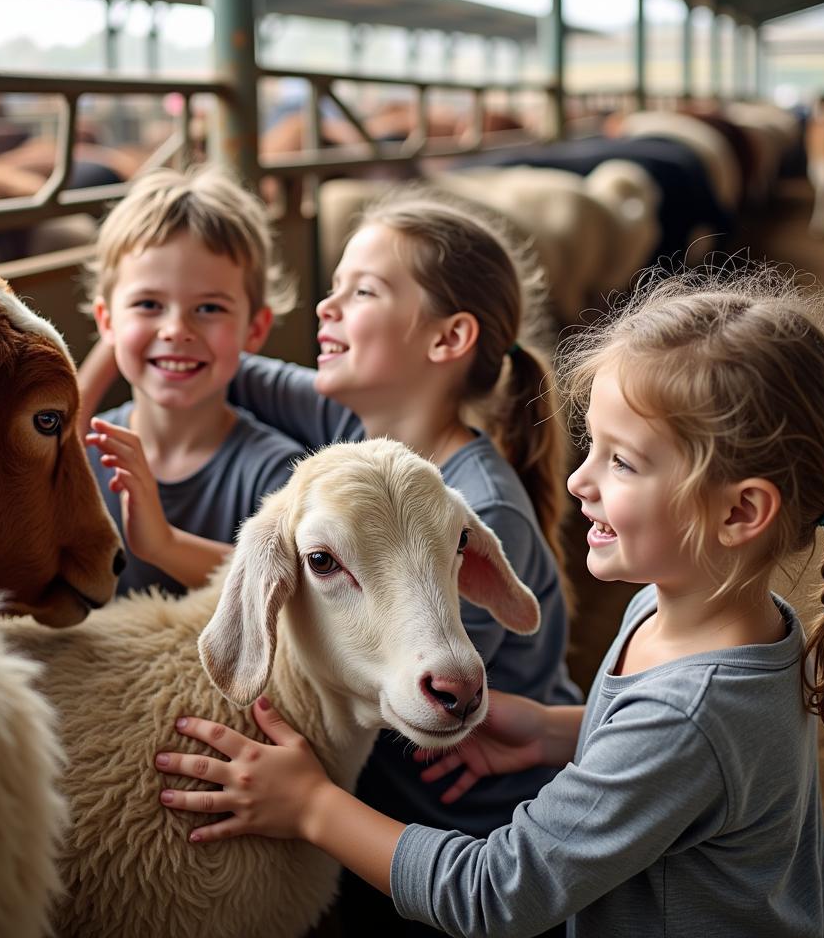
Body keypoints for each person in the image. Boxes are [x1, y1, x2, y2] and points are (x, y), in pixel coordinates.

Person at [156, 267, 824, 937]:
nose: (579, 481)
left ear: (740, 514)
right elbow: (684, 751)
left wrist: (312, 806)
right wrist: (556, 729)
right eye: (592, 448)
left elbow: (495, 895)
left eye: (622, 462)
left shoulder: (692, 711)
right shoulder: (706, 616)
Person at [178, 191, 577, 933]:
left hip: (470, 845)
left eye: (361, 291)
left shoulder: (479, 510)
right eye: (332, 286)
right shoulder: (352, 427)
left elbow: (423, 685)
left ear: (448, 337)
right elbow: (219, 364)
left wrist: (165, 548)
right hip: (388, 819)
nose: (327, 307)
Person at [82, 165, 303, 596]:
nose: (176, 330)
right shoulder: (82, 454)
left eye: (209, 309)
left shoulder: (277, 474)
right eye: (148, 304)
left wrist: (164, 545)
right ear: (107, 323)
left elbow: (301, 595)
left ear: (254, 330)